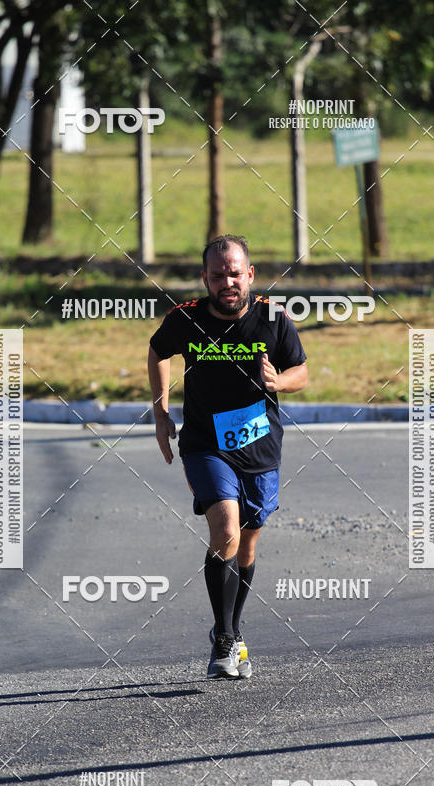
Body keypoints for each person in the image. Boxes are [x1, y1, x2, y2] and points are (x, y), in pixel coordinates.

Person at [148, 234, 308, 679]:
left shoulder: (273, 317)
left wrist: (279, 382)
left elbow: (301, 371)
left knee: (247, 542)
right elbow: (158, 351)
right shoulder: (186, 318)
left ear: (250, 275)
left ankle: (233, 631)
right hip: (205, 444)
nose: (227, 283)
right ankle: (222, 638)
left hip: (259, 447)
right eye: (217, 276)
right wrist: (161, 413)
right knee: (226, 530)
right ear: (205, 278)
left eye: (235, 274)